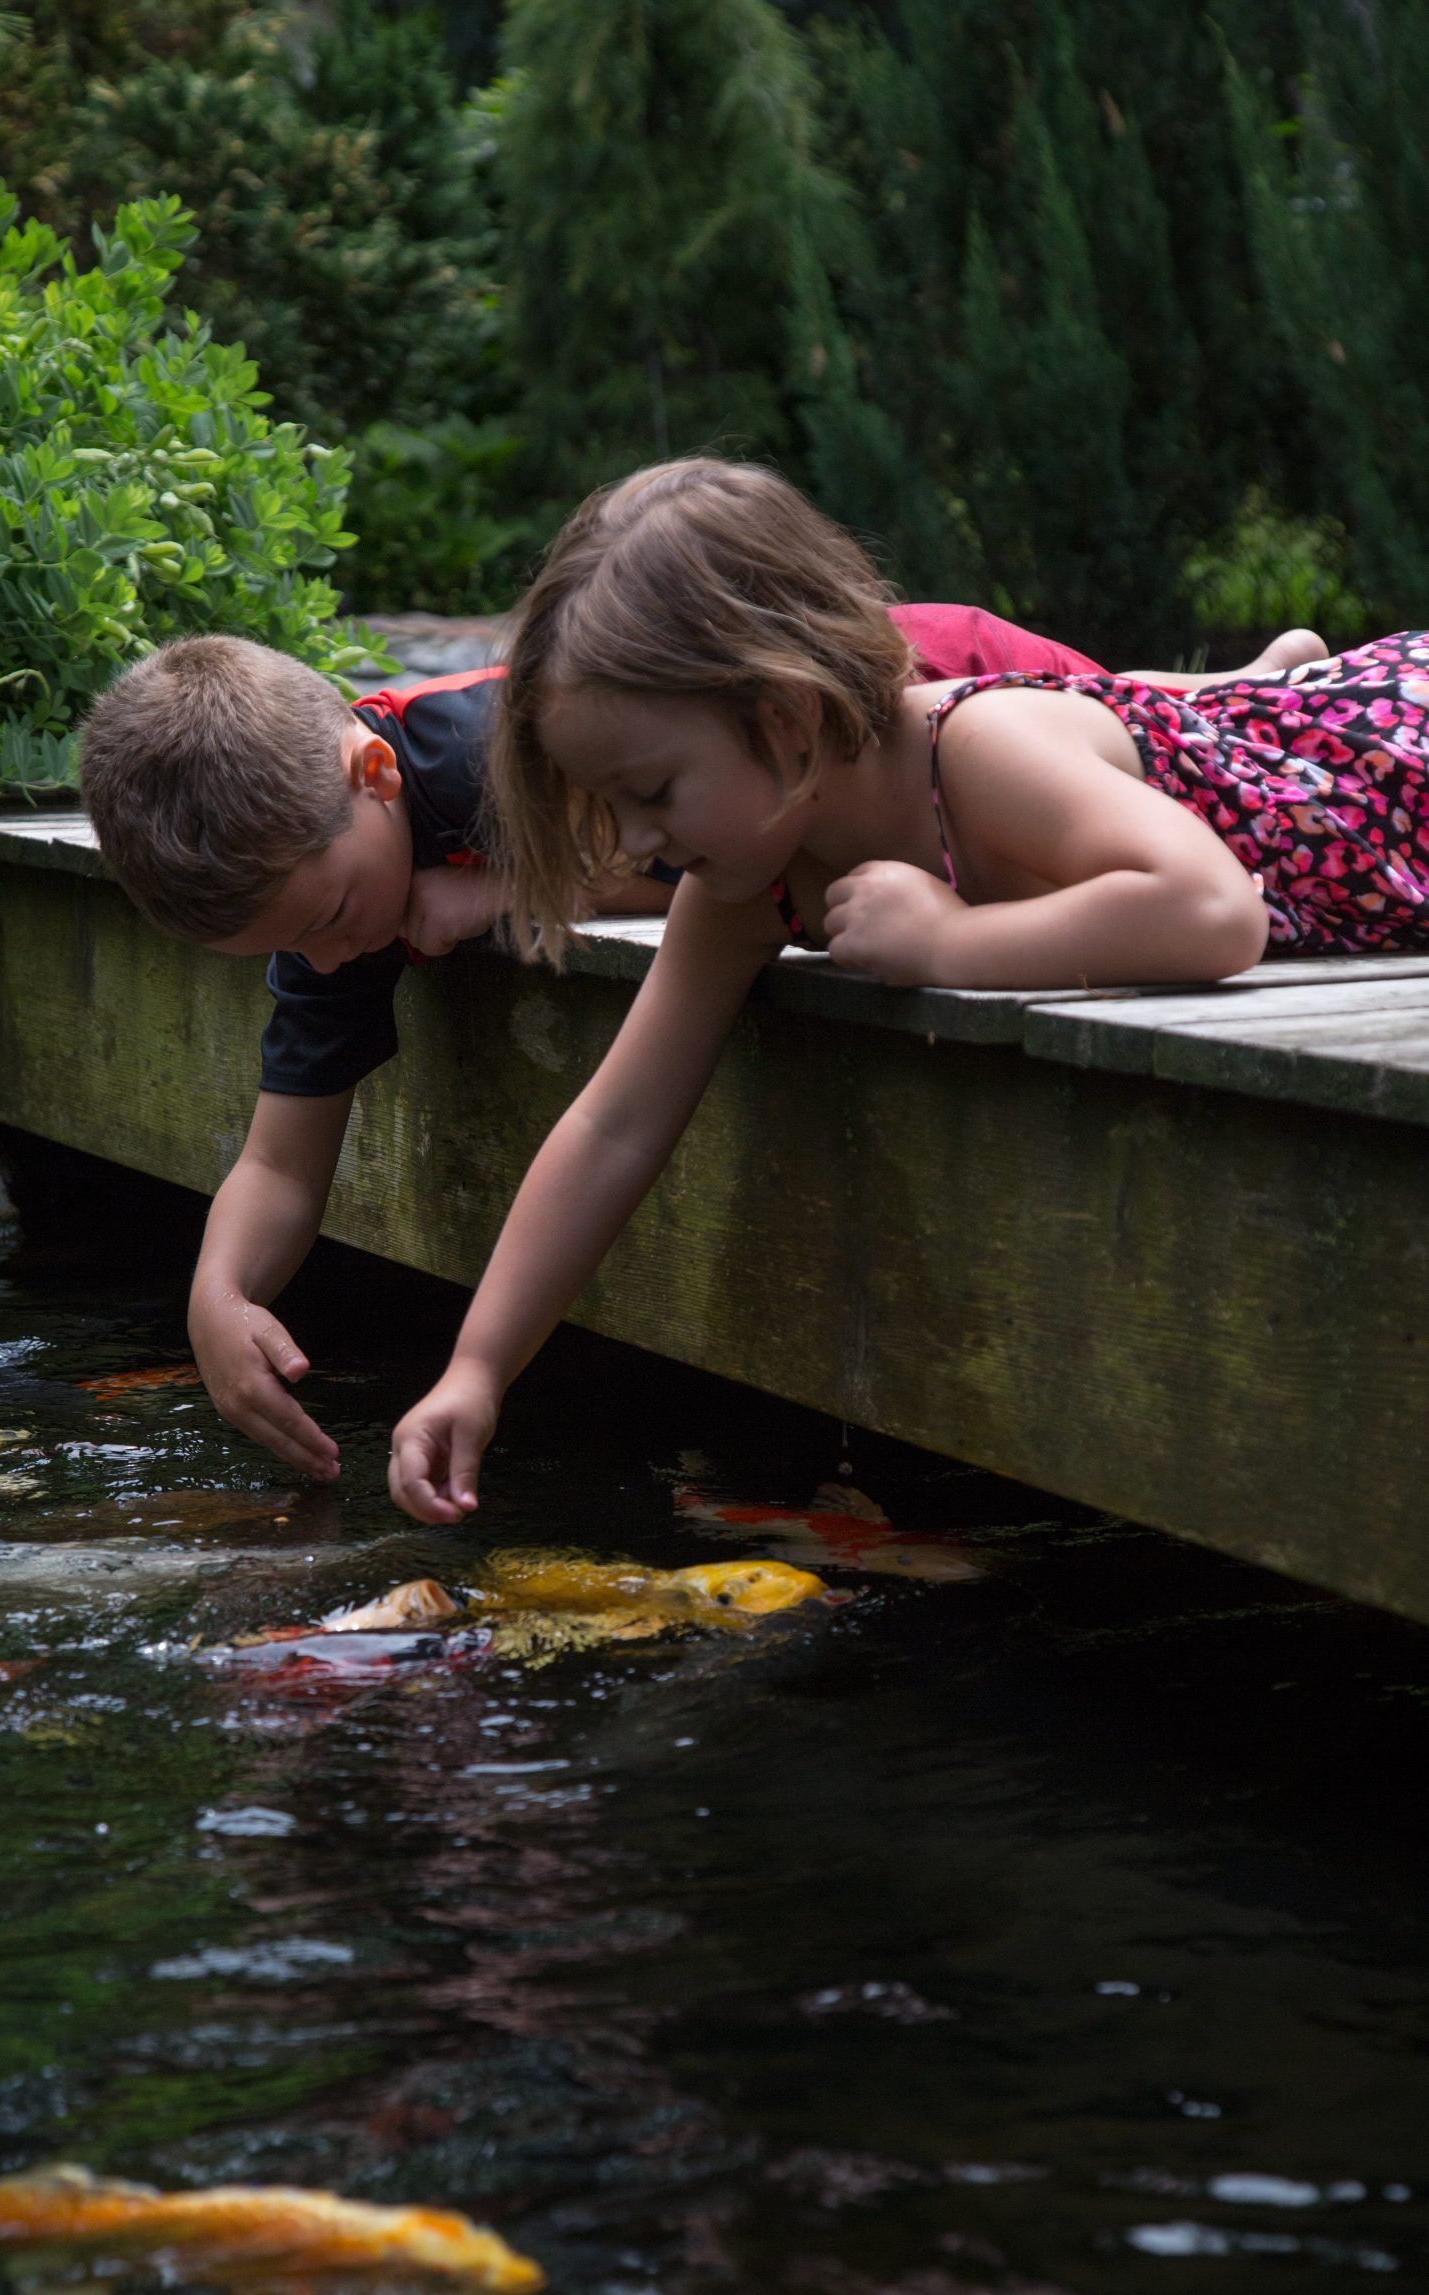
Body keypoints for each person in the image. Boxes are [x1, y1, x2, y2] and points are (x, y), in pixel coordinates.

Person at [385, 456, 1417, 1524]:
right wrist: (478, 1368)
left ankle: (1270, 681)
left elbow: (1211, 912)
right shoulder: (749, 882)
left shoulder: (975, 746)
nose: (636, 842)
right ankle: (1263, 676)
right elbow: (614, 1121)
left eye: (651, 793)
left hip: (1395, 758)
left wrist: (952, 945)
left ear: (785, 714)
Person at [81, 599, 1322, 1479]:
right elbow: (284, 1157)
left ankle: (1255, 687)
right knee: (1154, 740)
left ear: (373, 775)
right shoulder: (327, 899)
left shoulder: (498, 757)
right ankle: (1255, 690)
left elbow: (690, 854)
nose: (339, 954)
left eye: (337, 918)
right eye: (299, 948)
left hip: (929, 671)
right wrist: (218, 1289)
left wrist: (521, 891)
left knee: (1137, 721)